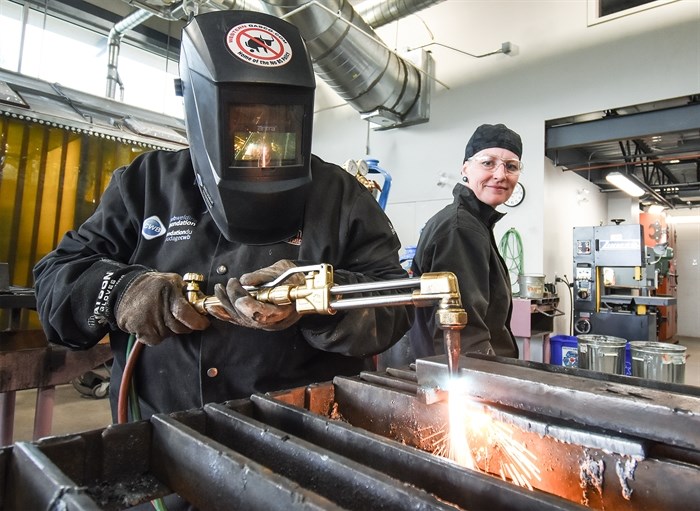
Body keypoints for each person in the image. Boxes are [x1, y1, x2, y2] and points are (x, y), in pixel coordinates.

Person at [33, 10, 411, 422]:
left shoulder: (340, 196)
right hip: (164, 437)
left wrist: (316, 301)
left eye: (278, 124)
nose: (261, 147)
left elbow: (395, 301)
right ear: (202, 109)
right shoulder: (146, 185)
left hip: (304, 436)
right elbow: (57, 280)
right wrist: (122, 291)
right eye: (243, 125)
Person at [408, 123, 522, 359]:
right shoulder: (461, 228)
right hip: (461, 378)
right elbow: (463, 333)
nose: (500, 175)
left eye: (511, 166)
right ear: (466, 168)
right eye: (488, 163)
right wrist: (482, 390)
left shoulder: (475, 223)